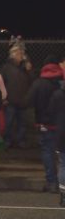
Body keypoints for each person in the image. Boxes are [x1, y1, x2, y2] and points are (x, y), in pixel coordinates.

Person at [28, 55, 64, 193]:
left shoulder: (39, 83)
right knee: (62, 156)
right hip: (61, 123)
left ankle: (52, 182)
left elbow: (29, 101)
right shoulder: (62, 80)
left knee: (48, 152)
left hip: (45, 123)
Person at [0, 44, 33, 149]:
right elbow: (2, 83)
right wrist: (3, 98)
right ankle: (7, 141)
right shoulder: (6, 68)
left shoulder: (25, 68)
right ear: (13, 55)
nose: (21, 55)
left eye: (22, 54)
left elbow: (32, 81)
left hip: (23, 100)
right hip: (10, 101)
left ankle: (20, 141)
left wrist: (29, 71)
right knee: (8, 123)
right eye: (19, 53)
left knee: (22, 123)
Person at [48, 78, 65, 206]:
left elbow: (51, 112)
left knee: (63, 164)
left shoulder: (57, 94)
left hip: (61, 133)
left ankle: (63, 194)